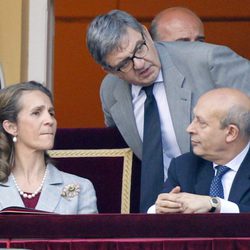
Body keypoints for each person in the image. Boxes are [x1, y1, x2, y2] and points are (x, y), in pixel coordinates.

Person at [86, 9, 250, 212]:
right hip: (163, 210)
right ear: (110, 70)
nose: (139, 63)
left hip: (228, 200)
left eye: (140, 48)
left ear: (146, 34)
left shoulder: (207, 60)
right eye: (124, 63)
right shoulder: (110, 91)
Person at [0, 81, 98, 214]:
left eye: (51, 113)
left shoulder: (81, 188)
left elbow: (87, 235)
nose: (49, 120)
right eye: (36, 113)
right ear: (11, 127)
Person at [153, 88, 250, 213]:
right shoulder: (184, 167)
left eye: (202, 123)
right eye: (194, 119)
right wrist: (159, 208)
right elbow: (158, 212)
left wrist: (216, 204)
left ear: (231, 133)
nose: (190, 129)